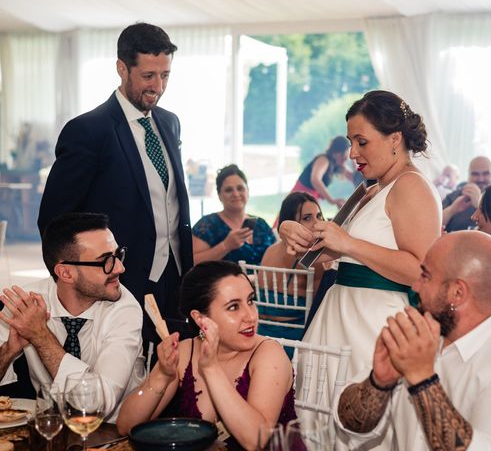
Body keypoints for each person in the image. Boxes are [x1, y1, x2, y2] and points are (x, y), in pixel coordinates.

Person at [279, 90, 441, 410]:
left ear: (395, 139)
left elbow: (421, 271)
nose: (352, 153)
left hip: (374, 325)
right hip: (341, 314)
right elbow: (337, 252)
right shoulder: (371, 190)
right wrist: (295, 235)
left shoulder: (411, 186)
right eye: (350, 142)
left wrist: (348, 243)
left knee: (361, 420)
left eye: (361, 142)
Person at [37, 23, 193, 345]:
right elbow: (53, 220)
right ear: (122, 68)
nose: (158, 86)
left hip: (174, 276)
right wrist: (74, 284)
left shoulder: (170, 122)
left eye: (165, 75)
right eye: (148, 76)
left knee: (170, 368)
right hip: (118, 280)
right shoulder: (88, 131)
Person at [335, 231, 491, 450]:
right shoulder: (421, 332)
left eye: (425, 276)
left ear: (457, 293)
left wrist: (422, 378)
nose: (415, 286)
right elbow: (349, 425)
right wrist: (378, 383)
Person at [116, 261, 296, 450]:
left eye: (250, 301)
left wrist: (210, 368)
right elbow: (126, 425)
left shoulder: (268, 354)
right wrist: (162, 375)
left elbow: (256, 441)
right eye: (234, 307)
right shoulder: (186, 352)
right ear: (200, 318)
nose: (250, 316)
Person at [0, 213, 144, 421]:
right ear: (65, 273)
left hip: (111, 432)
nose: (120, 267)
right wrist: (9, 351)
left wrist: (40, 336)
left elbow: (95, 406)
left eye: (118, 255)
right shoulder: (26, 304)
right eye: (106, 261)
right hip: (50, 427)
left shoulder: (124, 309)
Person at [259, 192, 329, 341]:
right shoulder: (312, 260)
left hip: (260, 333)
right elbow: (320, 309)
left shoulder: (270, 250)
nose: (316, 223)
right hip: (293, 339)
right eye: (307, 218)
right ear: (290, 223)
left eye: (319, 216)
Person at [192, 165, 275, 266]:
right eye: (228, 190)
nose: (235, 194)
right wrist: (225, 246)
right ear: (219, 196)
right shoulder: (207, 224)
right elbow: (192, 262)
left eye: (240, 188)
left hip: (263, 281)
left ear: (248, 191)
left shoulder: (261, 224)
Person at [291, 136, 353, 208]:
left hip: (309, 198)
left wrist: (354, 162)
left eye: (346, 157)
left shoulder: (336, 165)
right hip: (300, 197)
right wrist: (331, 200)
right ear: (336, 152)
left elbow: (353, 177)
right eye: (343, 156)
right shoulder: (324, 159)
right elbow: (315, 180)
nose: (345, 160)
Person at [441, 156, 491, 232]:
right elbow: (432, 224)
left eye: (486, 173)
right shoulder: (455, 196)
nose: (480, 179)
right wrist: (451, 210)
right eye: (475, 174)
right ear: (468, 176)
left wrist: (479, 205)